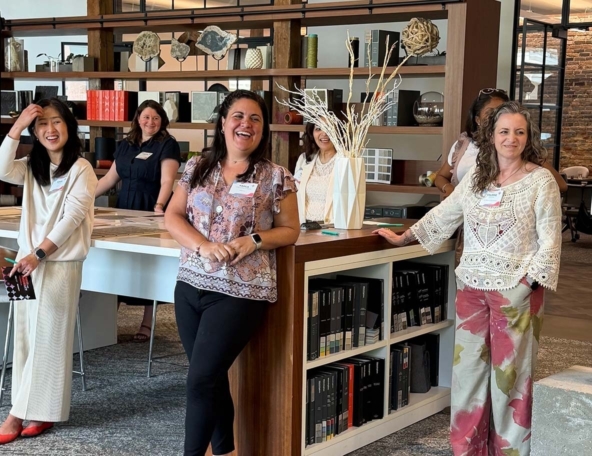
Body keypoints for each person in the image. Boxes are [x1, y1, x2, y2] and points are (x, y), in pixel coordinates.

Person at [374, 101, 561, 456]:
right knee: (468, 376)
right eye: (504, 131)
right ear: (490, 136)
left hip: (516, 292)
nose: (511, 139)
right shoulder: (476, 180)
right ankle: (467, 450)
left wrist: (527, 284)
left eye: (519, 132)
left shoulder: (540, 181)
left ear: (528, 137)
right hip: (471, 287)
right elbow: (444, 214)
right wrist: (404, 237)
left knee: (511, 379)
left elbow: (551, 240)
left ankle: (509, 450)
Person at [164, 89, 300, 456]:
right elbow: (172, 216)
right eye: (239, 116)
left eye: (255, 119)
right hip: (189, 284)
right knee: (211, 378)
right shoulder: (195, 167)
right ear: (223, 122)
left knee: (200, 379)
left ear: (263, 130)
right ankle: (226, 452)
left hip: (240, 291)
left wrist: (254, 240)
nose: (246, 124)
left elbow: (291, 230)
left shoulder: (275, 176)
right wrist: (202, 245)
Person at [0, 99, 97, 443]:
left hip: (57, 263)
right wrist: (15, 127)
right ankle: (42, 413)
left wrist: (39, 253)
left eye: (57, 123)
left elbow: (71, 219)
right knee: (27, 339)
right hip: (27, 263)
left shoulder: (81, 168)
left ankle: (15, 416)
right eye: (42, 125)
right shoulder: (31, 166)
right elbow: (1, 168)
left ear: (69, 127)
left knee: (48, 341)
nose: (50, 130)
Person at [95, 99, 181, 341]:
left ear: (162, 120)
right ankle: (108, 316)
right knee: (123, 262)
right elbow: (109, 179)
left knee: (149, 265)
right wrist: (83, 198)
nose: (150, 122)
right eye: (146, 117)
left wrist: (160, 206)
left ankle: (147, 322)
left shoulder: (167, 145)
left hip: (152, 207)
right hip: (124, 209)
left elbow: (167, 181)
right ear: (138, 119)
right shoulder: (125, 145)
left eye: (155, 118)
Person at [434, 88, 567, 197]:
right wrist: (450, 190)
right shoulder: (463, 145)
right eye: (490, 113)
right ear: (477, 119)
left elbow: (560, 185)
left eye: (501, 112)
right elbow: (441, 176)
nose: (495, 118)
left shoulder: (514, 147)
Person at [293, 121, 337, 224]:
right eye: (318, 129)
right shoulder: (304, 159)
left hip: (332, 229)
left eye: (328, 128)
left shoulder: (347, 161)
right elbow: (296, 195)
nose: (324, 133)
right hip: (303, 228)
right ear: (312, 133)